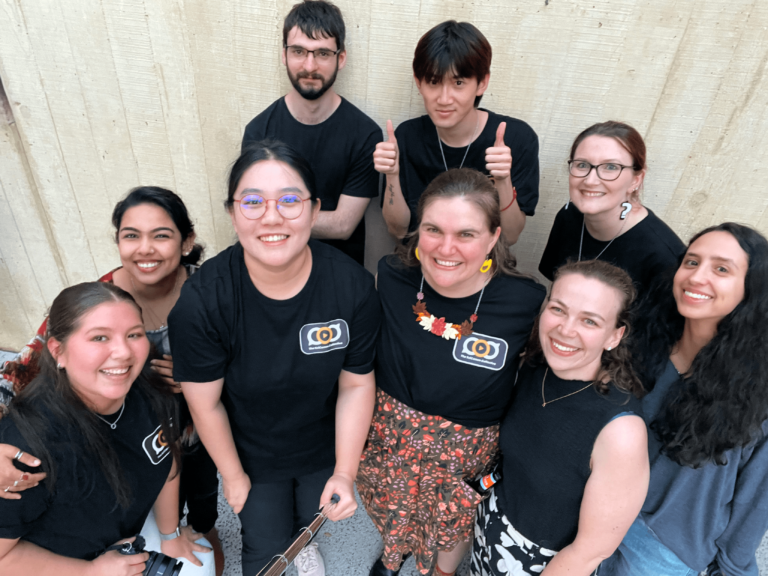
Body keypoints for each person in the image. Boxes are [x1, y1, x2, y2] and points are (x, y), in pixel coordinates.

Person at [169, 140, 381, 576]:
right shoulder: (203, 301)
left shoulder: (352, 286)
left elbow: (356, 383)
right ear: (232, 212)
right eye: (252, 202)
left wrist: (344, 470)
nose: (272, 216)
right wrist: (232, 474)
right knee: (265, 544)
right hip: (249, 449)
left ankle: (303, 544)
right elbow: (204, 402)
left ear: (314, 208)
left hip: (323, 442)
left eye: (289, 200)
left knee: (311, 519)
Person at [0, 187, 224, 575]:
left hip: (187, 421)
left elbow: (254, 359)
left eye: (162, 234)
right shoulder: (98, 303)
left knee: (199, 505)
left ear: (187, 241)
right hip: (128, 431)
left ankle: (196, 525)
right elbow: (21, 371)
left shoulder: (213, 292)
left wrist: (198, 379)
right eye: (131, 235)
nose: (145, 249)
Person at [357, 168, 546, 576]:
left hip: (464, 452)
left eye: (466, 234)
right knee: (392, 508)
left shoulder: (523, 301)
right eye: (433, 229)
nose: (446, 248)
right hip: (392, 438)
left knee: (451, 524)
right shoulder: (391, 278)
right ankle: (392, 559)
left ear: (494, 237)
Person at [601, 223, 768, 576]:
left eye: (721, 269)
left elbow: (755, 503)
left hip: (662, 550)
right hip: (592, 513)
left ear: (751, 288)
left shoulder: (759, 393)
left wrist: (732, 569)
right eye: (691, 262)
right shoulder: (640, 345)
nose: (697, 277)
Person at [471, 260, 649, 576]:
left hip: (544, 563)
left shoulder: (621, 432)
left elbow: (590, 551)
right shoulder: (534, 366)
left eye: (590, 321)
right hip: (489, 525)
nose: (565, 330)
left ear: (614, 336)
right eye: (558, 309)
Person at [241, 0, 382, 266]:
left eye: (322, 53)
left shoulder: (365, 134)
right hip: (272, 267)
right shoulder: (259, 130)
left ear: (340, 58)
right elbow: (251, 213)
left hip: (339, 272)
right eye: (298, 51)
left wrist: (275, 220)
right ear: (284, 55)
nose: (309, 66)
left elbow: (343, 225)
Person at [375, 20, 539, 244]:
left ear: (482, 83)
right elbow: (399, 231)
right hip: (421, 258)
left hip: (482, 265)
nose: (443, 99)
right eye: (433, 82)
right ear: (419, 83)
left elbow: (509, 237)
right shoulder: (406, 137)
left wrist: (502, 180)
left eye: (458, 83)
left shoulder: (517, 139)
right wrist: (391, 175)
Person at [539, 121, 684, 296]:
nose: (591, 180)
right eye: (582, 165)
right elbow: (554, 294)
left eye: (610, 167)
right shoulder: (569, 215)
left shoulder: (664, 259)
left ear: (635, 180)